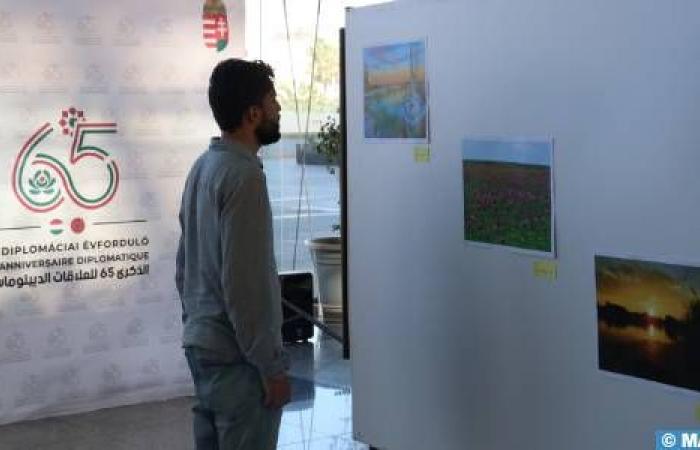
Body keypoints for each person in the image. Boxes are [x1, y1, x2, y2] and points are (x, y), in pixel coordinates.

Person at [175, 58, 291, 450]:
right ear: (252, 113)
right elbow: (246, 285)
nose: (278, 108)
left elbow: (183, 268)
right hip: (238, 363)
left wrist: (197, 325)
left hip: (203, 346)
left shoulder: (202, 167)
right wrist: (271, 367)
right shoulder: (243, 177)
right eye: (272, 100)